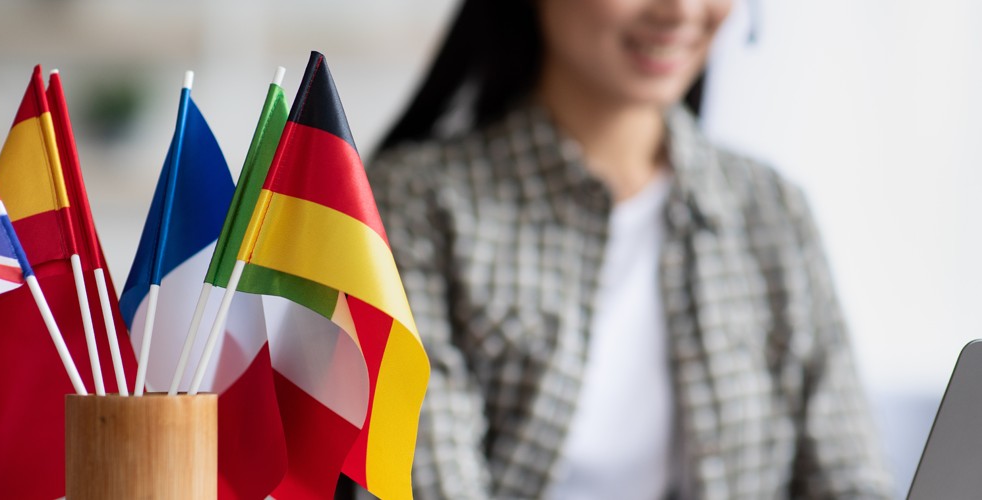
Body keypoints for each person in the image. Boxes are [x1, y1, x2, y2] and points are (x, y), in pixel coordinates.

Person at [364, 0, 895, 498]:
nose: (681, 11)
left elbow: (849, 475)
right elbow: (426, 482)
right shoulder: (415, 206)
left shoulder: (773, 211)